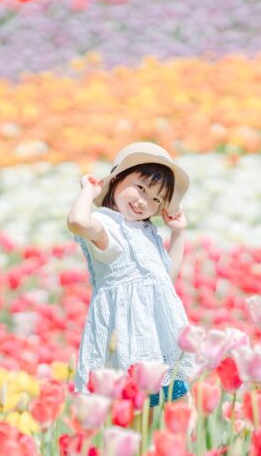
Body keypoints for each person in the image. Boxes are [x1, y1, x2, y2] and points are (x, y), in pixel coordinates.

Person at [66, 141, 196, 409]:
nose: (143, 202)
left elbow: (165, 280)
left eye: (156, 199)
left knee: (179, 407)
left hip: (159, 337)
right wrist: (87, 193)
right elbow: (78, 222)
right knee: (133, 412)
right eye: (141, 188)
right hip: (127, 339)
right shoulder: (108, 228)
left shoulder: (147, 234)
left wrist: (178, 234)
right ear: (115, 181)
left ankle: (176, 450)